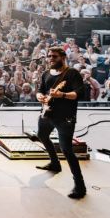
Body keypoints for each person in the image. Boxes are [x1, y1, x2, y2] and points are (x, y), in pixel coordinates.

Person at [35, 46, 87, 200]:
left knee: (67, 150)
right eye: (49, 56)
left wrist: (62, 94)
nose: (51, 59)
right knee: (42, 135)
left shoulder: (72, 74)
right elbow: (40, 89)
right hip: (47, 113)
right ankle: (54, 163)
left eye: (54, 56)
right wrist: (40, 96)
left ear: (63, 57)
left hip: (65, 117)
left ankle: (80, 185)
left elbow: (79, 94)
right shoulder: (46, 73)